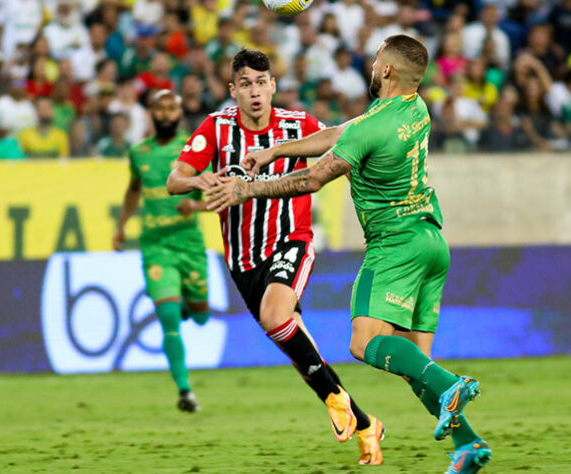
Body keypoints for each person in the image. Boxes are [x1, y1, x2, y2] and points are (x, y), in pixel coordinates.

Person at [206, 36, 492, 473]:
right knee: (411, 362)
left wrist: (247, 189)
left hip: (394, 246)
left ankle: (451, 385)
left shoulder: (370, 128)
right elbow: (339, 134)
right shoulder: (413, 110)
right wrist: (274, 151)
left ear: (388, 72)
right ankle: (468, 444)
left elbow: (312, 180)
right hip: (432, 244)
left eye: (377, 60)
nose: (372, 65)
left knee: (364, 343)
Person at [167, 49, 384, 465]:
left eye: (261, 83)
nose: (254, 92)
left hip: (291, 240)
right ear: (233, 90)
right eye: (245, 83)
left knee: (274, 316)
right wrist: (200, 179)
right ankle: (362, 422)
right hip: (243, 260)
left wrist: (373, 130)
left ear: (273, 87)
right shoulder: (216, 128)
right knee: (300, 355)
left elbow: (341, 136)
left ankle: (341, 405)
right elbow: (174, 179)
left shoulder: (296, 125)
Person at [113, 90, 210, 412]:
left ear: (180, 113)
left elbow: (221, 190)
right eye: (160, 108)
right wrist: (121, 225)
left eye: (172, 107)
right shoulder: (138, 152)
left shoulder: (194, 147)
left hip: (189, 242)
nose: (166, 113)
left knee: (200, 316)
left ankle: (186, 306)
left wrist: (194, 205)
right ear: (151, 113)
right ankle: (185, 392)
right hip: (155, 244)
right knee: (167, 315)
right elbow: (133, 189)